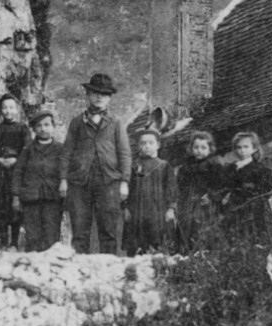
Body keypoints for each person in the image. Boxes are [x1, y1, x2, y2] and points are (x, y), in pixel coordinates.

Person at [59, 72, 131, 255]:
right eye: (95, 93)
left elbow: (124, 153)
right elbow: (67, 152)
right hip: (80, 182)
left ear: (109, 98)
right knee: (80, 230)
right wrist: (63, 179)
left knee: (108, 230)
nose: (99, 97)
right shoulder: (77, 122)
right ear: (88, 95)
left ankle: (108, 271)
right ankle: (81, 272)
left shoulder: (116, 122)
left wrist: (124, 182)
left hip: (108, 182)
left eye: (104, 94)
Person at [11, 107, 63, 252]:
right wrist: (16, 196)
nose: (43, 129)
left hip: (52, 198)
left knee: (52, 237)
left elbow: (65, 173)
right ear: (34, 129)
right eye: (38, 126)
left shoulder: (60, 149)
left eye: (47, 125)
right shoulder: (28, 150)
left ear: (53, 127)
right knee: (33, 237)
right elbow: (18, 173)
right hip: (31, 199)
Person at [122, 131, 177, 256]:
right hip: (137, 212)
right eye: (143, 143)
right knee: (136, 248)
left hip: (157, 211)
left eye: (150, 143)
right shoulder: (133, 166)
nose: (147, 146)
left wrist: (171, 208)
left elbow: (171, 188)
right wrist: (125, 207)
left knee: (158, 245)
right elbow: (126, 187)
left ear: (157, 145)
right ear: (138, 146)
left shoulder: (164, 165)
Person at [0, 94, 31, 249]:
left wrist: (15, 160)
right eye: (4, 107)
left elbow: (27, 150)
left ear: (17, 109)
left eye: (11, 107)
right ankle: (3, 241)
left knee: (15, 206)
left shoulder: (23, 129)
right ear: (0, 110)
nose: (8, 111)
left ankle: (14, 242)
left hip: (16, 172)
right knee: (0, 205)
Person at [221, 131, 272, 248]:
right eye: (238, 147)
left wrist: (247, 190)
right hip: (235, 208)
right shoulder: (231, 169)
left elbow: (267, 189)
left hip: (255, 209)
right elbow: (225, 186)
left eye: (246, 147)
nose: (242, 150)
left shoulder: (260, 169)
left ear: (254, 149)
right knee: (237, 241)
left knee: (258, 241)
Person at [176, 130, 224, 252]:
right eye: (196, 147)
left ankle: (206, 252)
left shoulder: (214, 166)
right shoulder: (186, 167)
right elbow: (181, 186)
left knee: (204, 226)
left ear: (210, 149)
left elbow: (219, 185)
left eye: (203, 147)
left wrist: (211, 196)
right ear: (191, 149)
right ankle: (186, 253)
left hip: (206, 202)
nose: (199, 150)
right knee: (187, 226)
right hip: (188, 202)